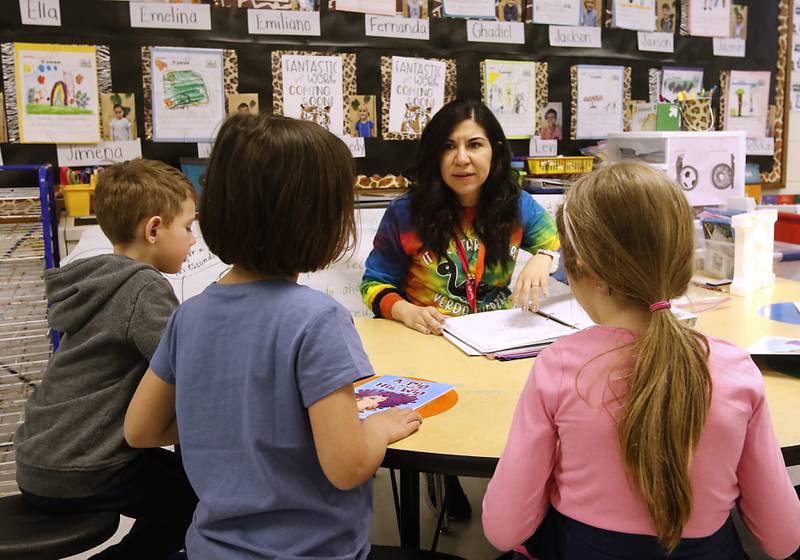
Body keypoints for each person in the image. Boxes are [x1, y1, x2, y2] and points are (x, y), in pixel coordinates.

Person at [123, 114, 422, 559]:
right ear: (319, 220)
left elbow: (140, 429)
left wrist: (239, 418)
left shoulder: (190, 316)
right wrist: (376, 427)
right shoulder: (318, 319)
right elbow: (347, 467)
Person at [482, 162, 800, 560]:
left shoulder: (558, 366)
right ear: (684, 262)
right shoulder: (735, 369)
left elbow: (503, 528)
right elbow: (783, 538)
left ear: (585, 272)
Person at [360, 99, 559, 520]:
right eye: (449, 147)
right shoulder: (405, 214)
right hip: (429, 344)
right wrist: (405, 312)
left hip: (497, 344)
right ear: (435, 155)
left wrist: (544, 258)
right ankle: (440, 478)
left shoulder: (516, 206)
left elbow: (559, 241)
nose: (462, 159)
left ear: (495, 152)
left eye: (475, 144)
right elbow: (373, 284)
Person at [14, 159, 198, 559]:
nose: (193, 240)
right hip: (83, 469)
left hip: (40, 462)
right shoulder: (143, 287)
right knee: (193, 501)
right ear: (153, 230)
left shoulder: (98, 280)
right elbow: (189, 368)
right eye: (187, 227)